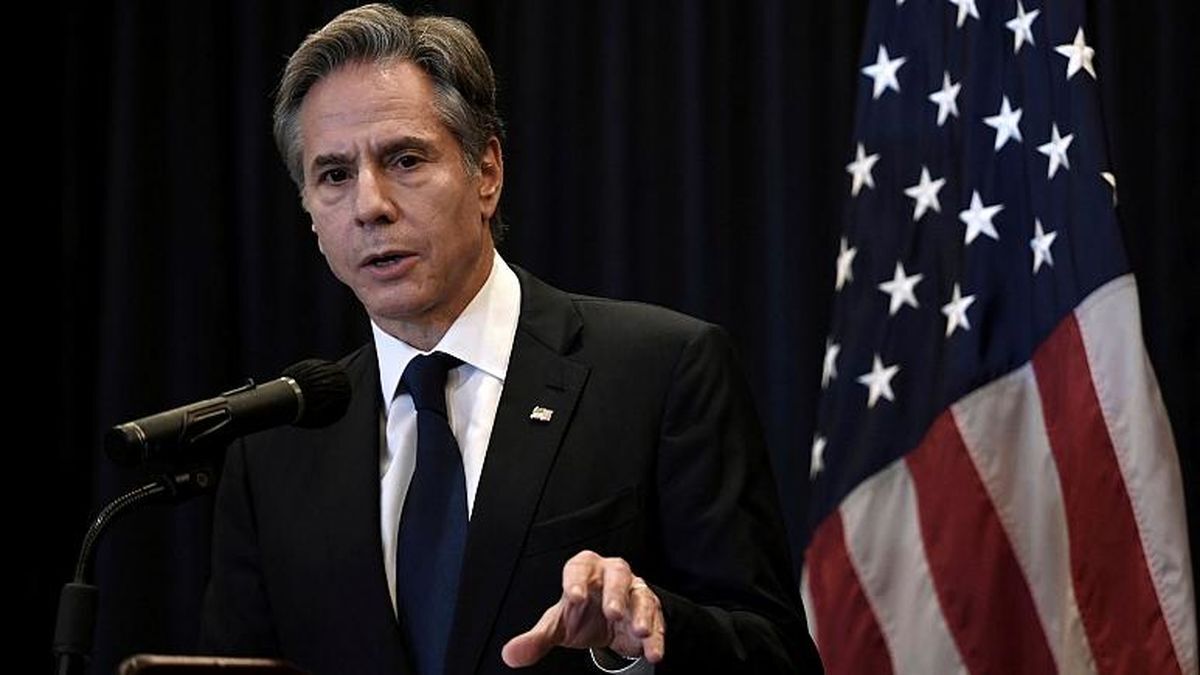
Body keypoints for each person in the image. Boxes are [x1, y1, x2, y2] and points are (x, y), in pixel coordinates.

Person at [200, 4, 823, 674]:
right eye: (334, 175)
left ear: (487, 172)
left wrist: (643, 634)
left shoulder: (662, 372)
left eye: (404, 159)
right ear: (309, 212)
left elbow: (775, 655)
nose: (369, 205)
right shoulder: (274, 450)